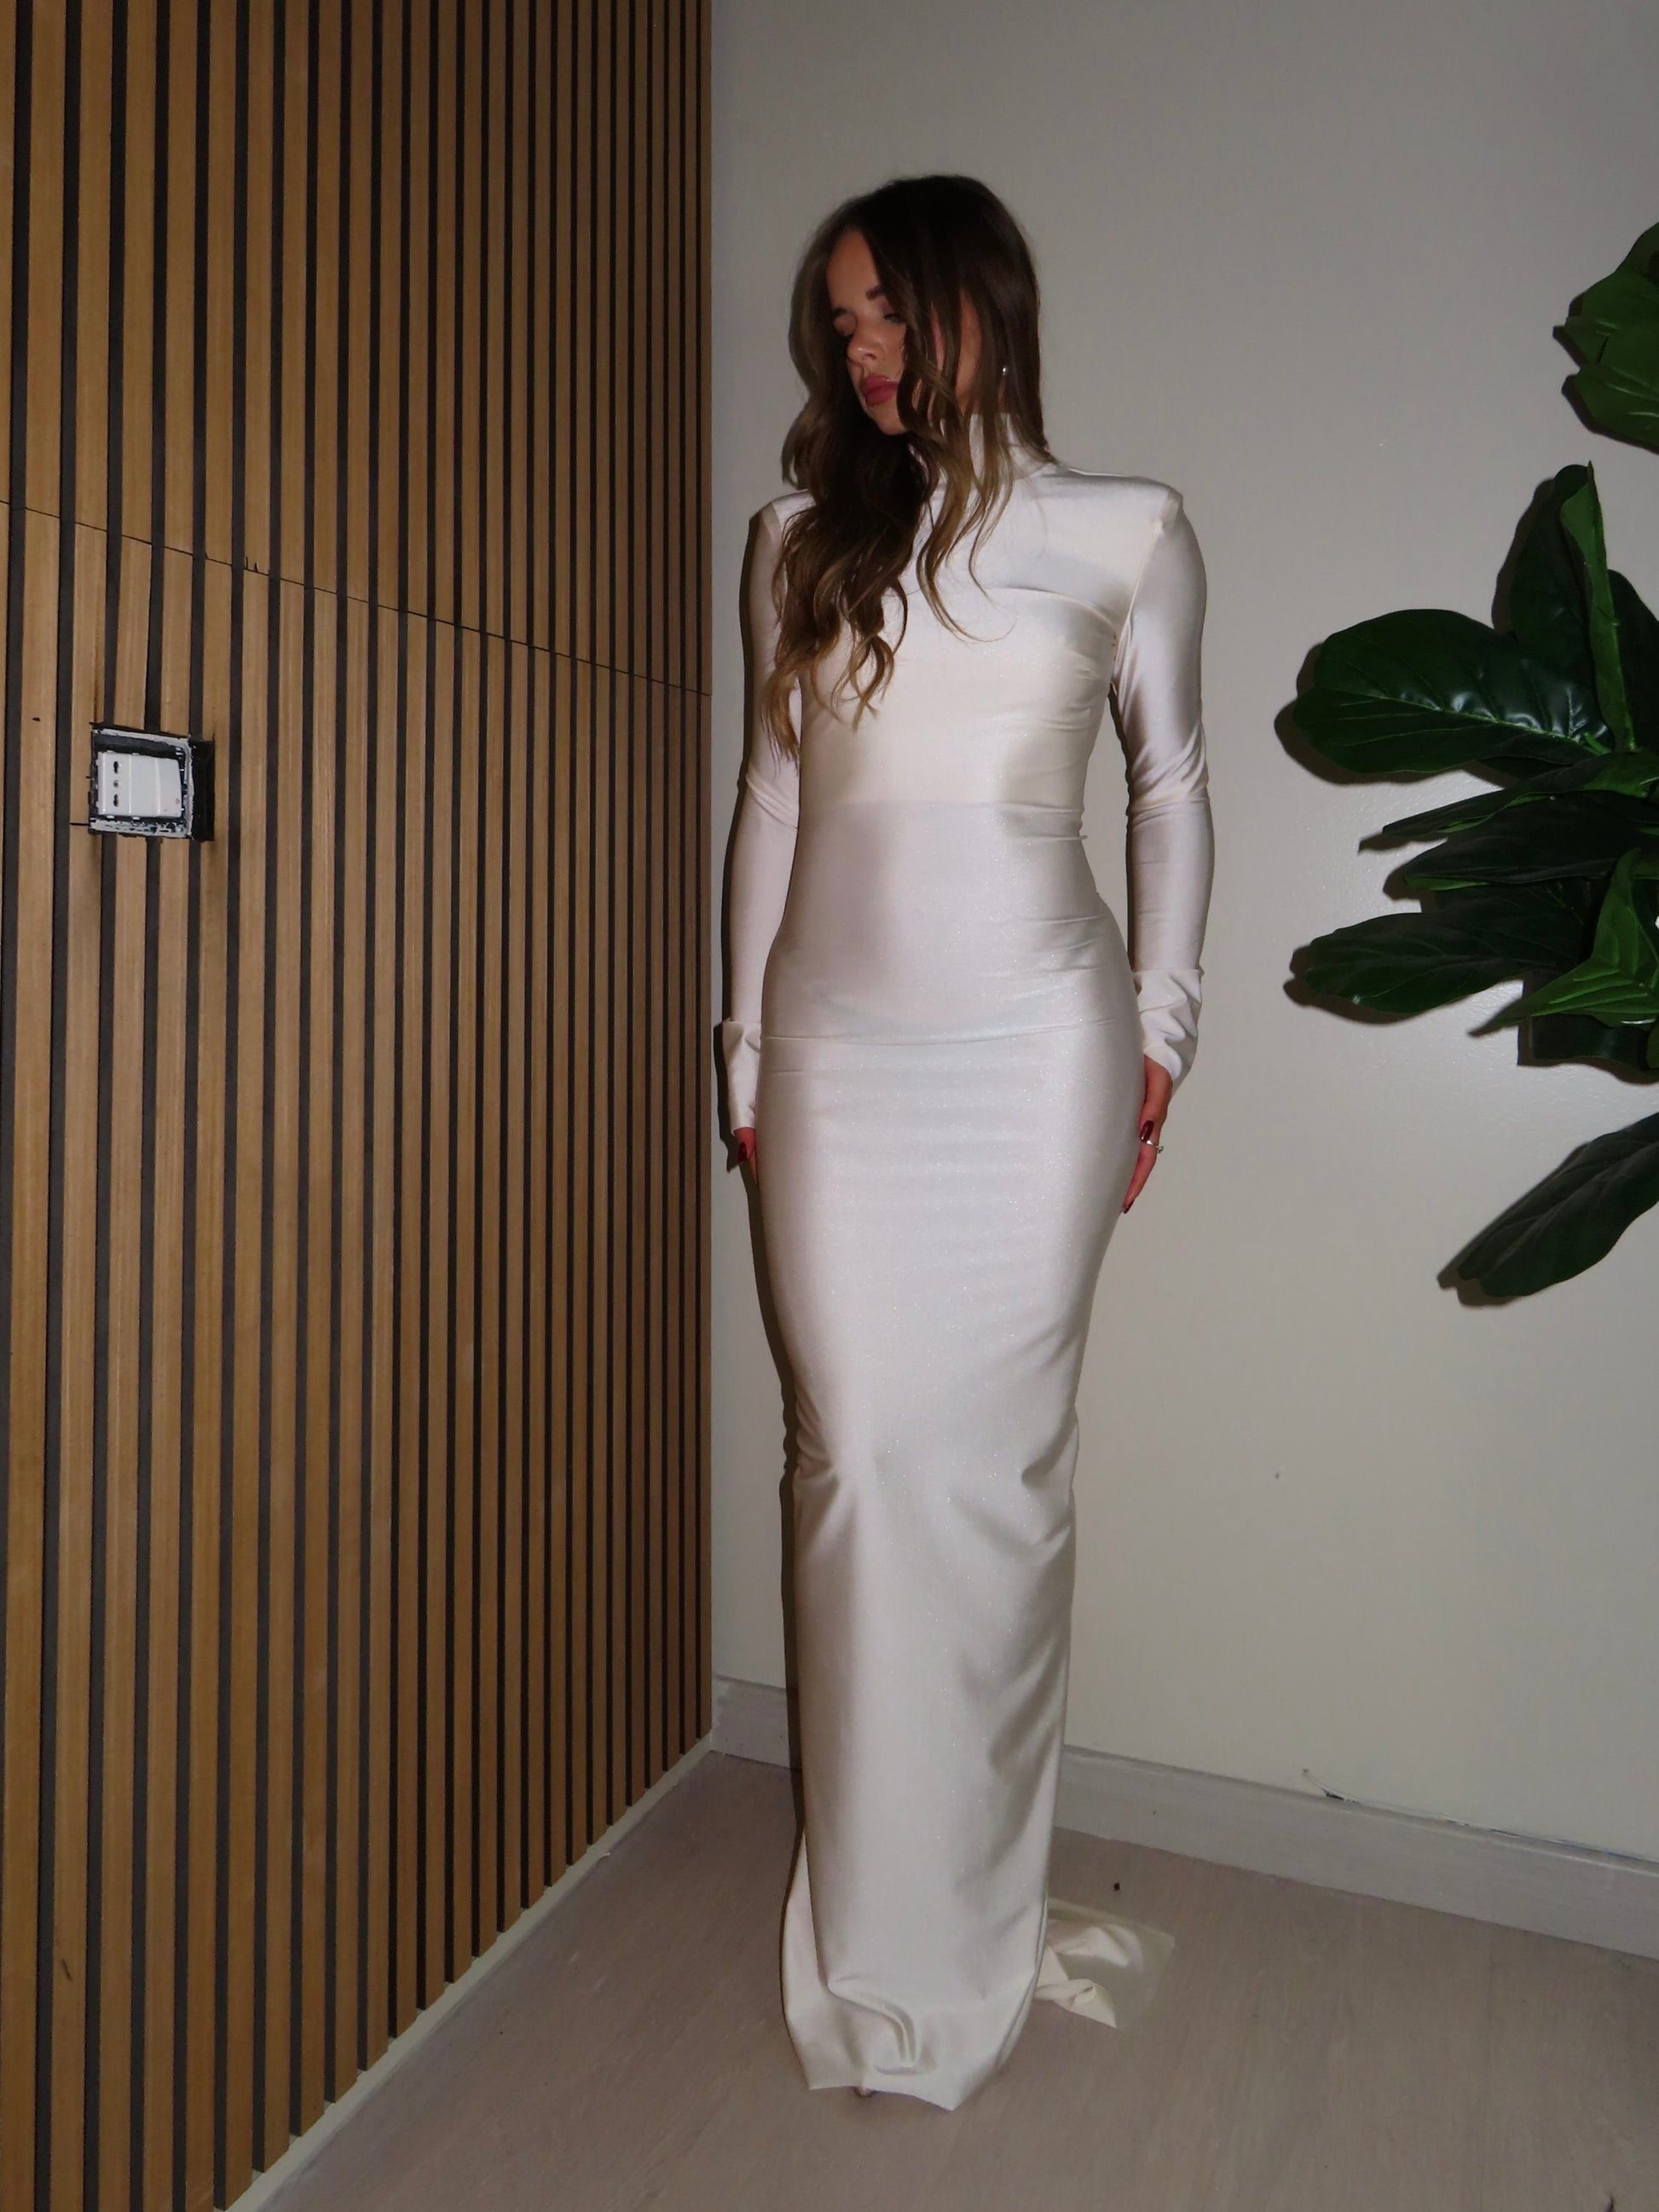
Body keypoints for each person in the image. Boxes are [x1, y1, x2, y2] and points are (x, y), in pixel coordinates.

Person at [720, 173, 1214, 2111]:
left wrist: (1161, 1029)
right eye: (841, 324)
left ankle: (969, 1938)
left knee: (994, 1480)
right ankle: (869, 1943)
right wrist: (743, 1054)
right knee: (853, 1467)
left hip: (1033, 1053)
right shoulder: (793, 541)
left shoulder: (1127, 531)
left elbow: (1169, 789)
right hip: (834, 1059)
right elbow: (771, 804)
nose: (864, 351)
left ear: (981, 305)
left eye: (889, 312)